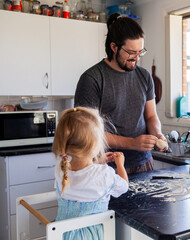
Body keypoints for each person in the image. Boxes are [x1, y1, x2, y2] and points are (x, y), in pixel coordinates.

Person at [74, 13, 167, 174]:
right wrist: (133, 143)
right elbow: (89, 132)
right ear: (114, 47)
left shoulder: (144, 76)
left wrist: (157, 134)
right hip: (106, 165)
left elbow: (151, 116)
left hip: (143, 163)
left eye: (140, 52)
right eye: (131, 52)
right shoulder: (91, 79)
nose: (136, 58)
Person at [52, 107, 129, 239]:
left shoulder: (61, 168)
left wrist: (97, 161)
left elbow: (83, 174)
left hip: (63, 234)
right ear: (94, 145)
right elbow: (124, 186)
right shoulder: (104, 173)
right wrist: (120, 165)